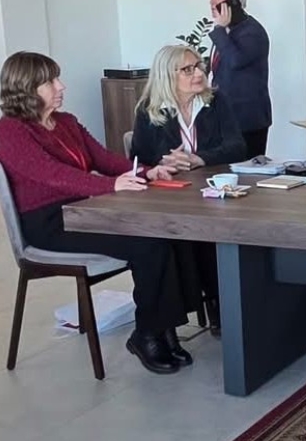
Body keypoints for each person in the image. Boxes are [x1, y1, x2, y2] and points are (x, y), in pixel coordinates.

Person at [0, 51, 192, 374]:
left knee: (163, 234)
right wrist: (111, 185)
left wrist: (147, 171)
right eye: (50, 82)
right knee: (147, 245)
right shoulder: (10, 130)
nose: (61, 86)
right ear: (26, 88)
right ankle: (147, 334)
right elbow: (52, 174)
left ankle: (164, 330)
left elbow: (105, 159)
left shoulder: (66, 122)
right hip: (49, 223)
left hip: (85, 211)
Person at [131, 44, 246, 335]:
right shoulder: (149, 111)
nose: (198, 73)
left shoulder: (215, 101)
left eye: (199, 66)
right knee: (175, 239)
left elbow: (237, 146)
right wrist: (163, 162)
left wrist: (199, 158)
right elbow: (138, 160)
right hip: (172, 197)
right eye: (187, 69)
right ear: (167, 75)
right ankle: (175, 319)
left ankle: (224, 304)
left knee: (223, 234)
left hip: (214, 191)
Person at [207, 0, 271, 157]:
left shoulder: (252, 31)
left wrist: (219, 30)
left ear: (235, 0)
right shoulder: (227, 30)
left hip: (248, 119)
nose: (212, 3)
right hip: (225, 116)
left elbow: (235, 61)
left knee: (247, 170)